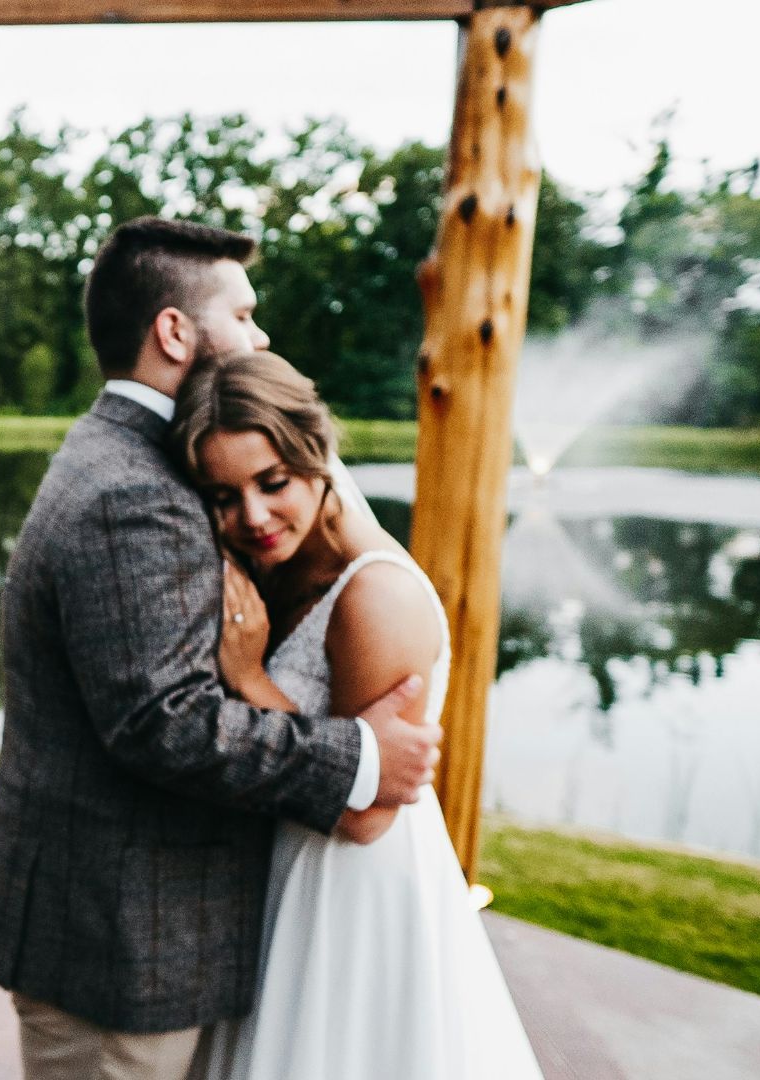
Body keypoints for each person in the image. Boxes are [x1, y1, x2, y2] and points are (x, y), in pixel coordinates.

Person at [0, 216, 442, 1080]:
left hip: (110, 923)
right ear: (176, 331)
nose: (260, 337)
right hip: (118, 943)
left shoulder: (123, 453)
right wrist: (360, 759)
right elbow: (161, 722)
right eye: (245, 314)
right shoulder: (137, 491)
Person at [176, 350, 543, 1080]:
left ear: (316, 457)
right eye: (223, 496)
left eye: (272, 483)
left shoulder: (375, 597)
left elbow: (368, 812)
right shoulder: (276, 565)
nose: (251, 516)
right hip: (282, 865)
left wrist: (248, 675)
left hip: (347, 888)